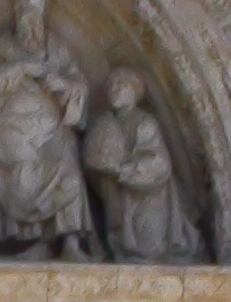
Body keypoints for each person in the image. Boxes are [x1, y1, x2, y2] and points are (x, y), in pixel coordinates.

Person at [0, 0, 96, 258]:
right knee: (20, 175)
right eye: (23, 9)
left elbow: (78, 83)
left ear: (43, 13)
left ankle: (69, 241)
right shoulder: (1, 47)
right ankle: (29, 241)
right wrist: (19, 68)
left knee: (68, 170)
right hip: (14, 129)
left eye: (33, 10)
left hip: (52, 128)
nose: (28, 17)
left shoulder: (56, 49)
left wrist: (62, 84)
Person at [83, 67, 205, 262]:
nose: (114, 90)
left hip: (148, 200)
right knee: (127, 252)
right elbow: (92, 160)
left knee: (150, 252)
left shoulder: (145, 123)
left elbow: (159, 164)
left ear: (134, 92)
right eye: (111, 86)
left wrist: (120, 170)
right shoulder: (105, 124)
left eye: (121, 85)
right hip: (119, 202)